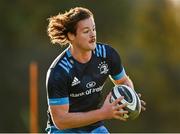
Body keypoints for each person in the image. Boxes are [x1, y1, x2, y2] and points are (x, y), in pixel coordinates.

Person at [45, 7, 146, 133]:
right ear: (71, 35)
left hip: (94, 127)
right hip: (64, 130)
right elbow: (61, 121)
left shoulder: (107, 55)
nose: (93, 34)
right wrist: (103, 113)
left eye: (93, 29)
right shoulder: (59, 72)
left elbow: (124, 81)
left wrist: (131, 97)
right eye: (86, 31)